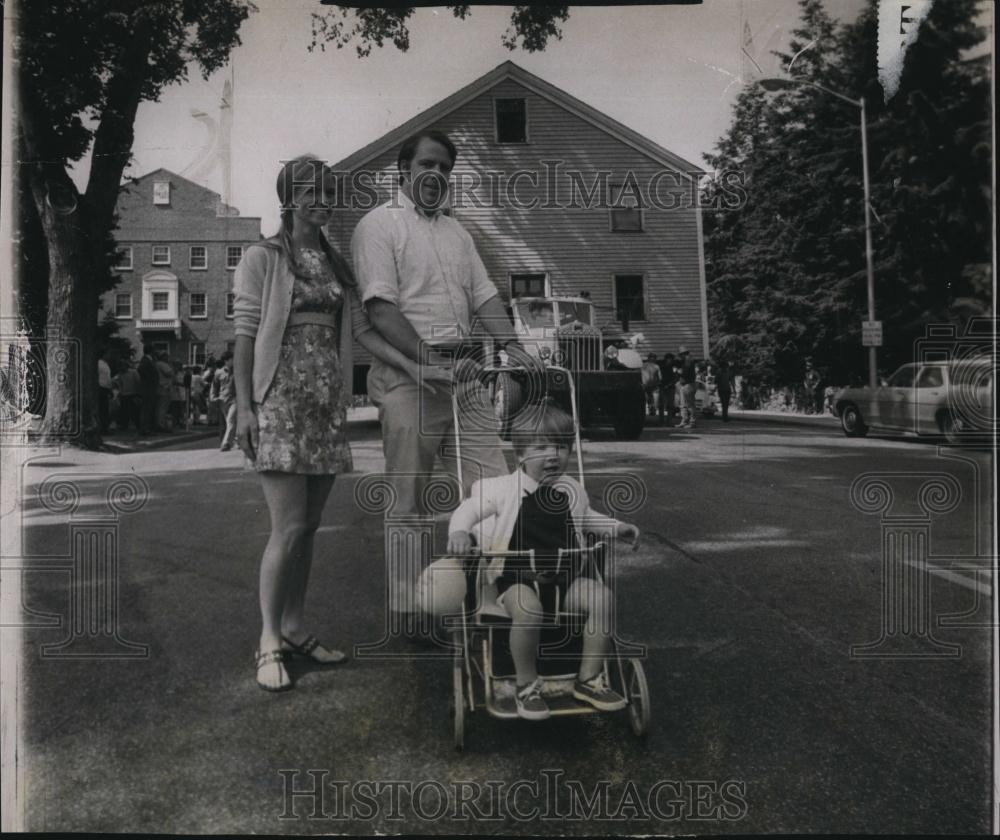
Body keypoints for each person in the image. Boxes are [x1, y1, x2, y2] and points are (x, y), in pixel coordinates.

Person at [233, 155, 451, 692]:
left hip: (325, 405)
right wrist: (243, 405)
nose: (322, 199)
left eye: (328, 191)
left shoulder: (334, 263)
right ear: (288, 197)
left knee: (308, 529)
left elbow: (365, 335)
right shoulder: (263, 257)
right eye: (311, 191)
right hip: (279, 402)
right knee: (285, 529)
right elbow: (243, 334)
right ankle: (267, 640)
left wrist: (417, 366)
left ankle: (294, 627)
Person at [351, 129, 537, 630]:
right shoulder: (379, 226)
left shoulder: (458, 232)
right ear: (404, 172)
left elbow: (484, 295)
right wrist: (428, 361)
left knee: (496, 490)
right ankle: (410, 612)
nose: (436, 176)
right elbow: (380, 310)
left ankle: (490, 596)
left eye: (445, 170)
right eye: (427, 166)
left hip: (466, 374)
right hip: (407, 376)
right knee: (409, 498)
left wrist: (515, 347)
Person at [447, 402, 640, 720]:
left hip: (566, 578)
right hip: (517, 579)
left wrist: (618, 528)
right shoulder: (500, 490)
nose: (553, 455)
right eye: (541, 447)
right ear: (520, 455)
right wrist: (459, 532)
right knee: (527, 608)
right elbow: (469, 509)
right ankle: (526, 683)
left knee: (602, 598)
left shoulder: (572, 490)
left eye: (562, 447)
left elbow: (587, 519)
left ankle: (588, 678)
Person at [137, 344, 159, 435]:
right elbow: (140, 369)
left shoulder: (150, 360)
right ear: (151, 350)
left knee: (149, 409)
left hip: (151, 388)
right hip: (147, 388)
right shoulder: (145, 360)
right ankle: (144, 429)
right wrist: (149, 379)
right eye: (154, 350)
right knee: (146, 409)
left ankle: (148, 428)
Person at [219, 353, 238, 451]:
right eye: (232, 359)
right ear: (226, 361)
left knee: (230, 420)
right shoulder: (219, 372)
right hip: (223, 399)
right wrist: (213, 397)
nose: (233, 361)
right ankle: (237, 440)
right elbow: (215, 386)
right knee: (229, 422)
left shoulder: (238, 371)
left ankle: (226, 443)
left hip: (235, 399)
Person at [676, 346, 697, 429]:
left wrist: (678, 371)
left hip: (688, 385)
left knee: (689, 405)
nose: (680, 357)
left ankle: (692, 422)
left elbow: (684, 372)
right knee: (684, 405)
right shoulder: (688, 360)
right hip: (686, 385)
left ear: (683, 354)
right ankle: (684, 421)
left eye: (680, 355)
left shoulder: (688, 360)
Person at [155, 352, 174, 431]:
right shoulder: (162, 364)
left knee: (159, 407)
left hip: (159, 387)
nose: (168, 358)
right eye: (167, 356)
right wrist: (172, 367)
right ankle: (161, 425)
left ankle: (158, 423)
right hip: (165, 387)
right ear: (163, 357)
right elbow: (170, 373)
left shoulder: (156, 364)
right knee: (163, 407)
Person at [657, 352, 676, 426]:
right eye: (668, 359)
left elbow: (676, 378)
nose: (670, 360)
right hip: (662, 387)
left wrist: (670, 384)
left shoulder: (674, 367)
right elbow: (659, 377)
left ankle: (669, 421)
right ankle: (661, 421)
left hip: (670, 387)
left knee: (670, 405)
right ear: (666, 359)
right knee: (661, 405)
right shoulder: (662, 367)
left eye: (671, 359)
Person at [641, 353, 661, 418]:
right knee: (652, 400)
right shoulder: (656, 366)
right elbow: (660, 377)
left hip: (646, 385)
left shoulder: (643, 365)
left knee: (647, 400)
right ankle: (652, 409)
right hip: (651, 385)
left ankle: (651, 410)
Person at [97, 349, 113, 434]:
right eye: (108, 354)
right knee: (102, 409)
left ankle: (105, 427)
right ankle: (103, 428)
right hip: (101, 387)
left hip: (105, 388)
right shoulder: (99, 364)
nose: (109, 356)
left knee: (105, 409)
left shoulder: (105, 364)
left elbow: (108, 378)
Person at [713, 357, 733, 422]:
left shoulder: (726, 371)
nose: (726, 367)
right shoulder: (720, 372)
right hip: (723, 389)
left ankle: (725, 416)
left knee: (725, 404)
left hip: (726, 389)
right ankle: (725, 417)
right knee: (724, 404)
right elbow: (716, 381)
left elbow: (730, 380)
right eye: (725, 366)